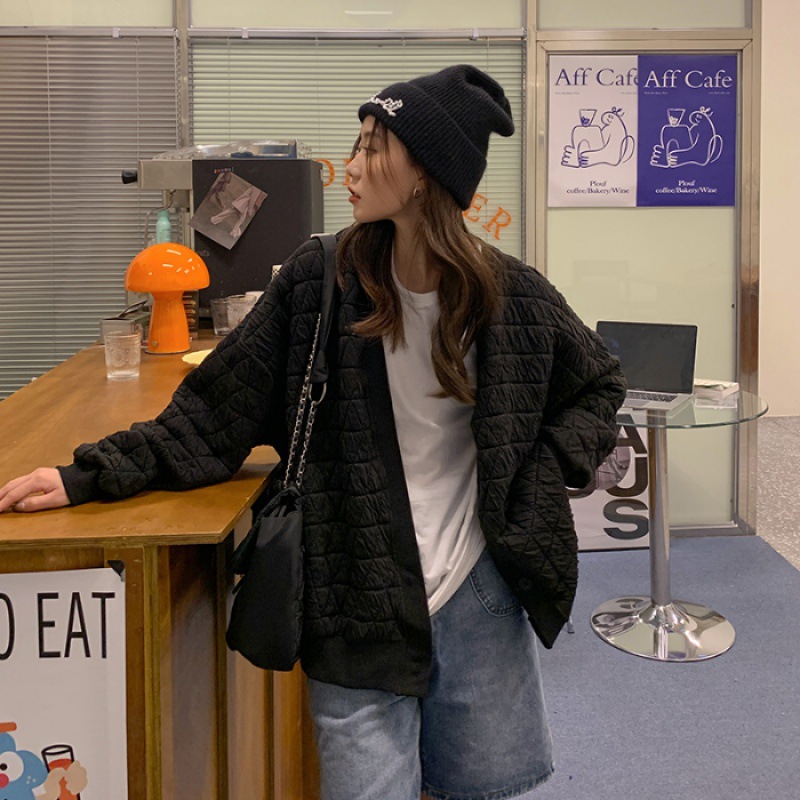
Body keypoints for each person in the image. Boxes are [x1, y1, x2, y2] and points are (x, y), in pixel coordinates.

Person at [0, 65, 626, 800]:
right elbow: (212, 413)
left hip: (479, 598)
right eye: (357, 145)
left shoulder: (508, 295)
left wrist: (543, 471)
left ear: (424, 176)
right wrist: (86, 475)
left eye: (373, 148)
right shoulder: (320, 281)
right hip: (355, 599)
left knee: (476, 790)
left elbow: (598, 384)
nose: (351, 166)